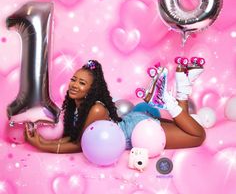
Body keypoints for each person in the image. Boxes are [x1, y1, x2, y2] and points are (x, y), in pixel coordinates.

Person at [24, 59, 206, 153]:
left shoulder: (96, 109)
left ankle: (165, 98)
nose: (73, 85)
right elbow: (74, 137)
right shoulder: (76, 107)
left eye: (81, 83)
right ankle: (183, 82)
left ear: (91, 89)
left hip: (137, 131)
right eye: (73, 80)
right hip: (135, 122)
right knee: (185, 127)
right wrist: (43, 141)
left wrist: (42, 146)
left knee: (198, 136)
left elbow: (80, 145)